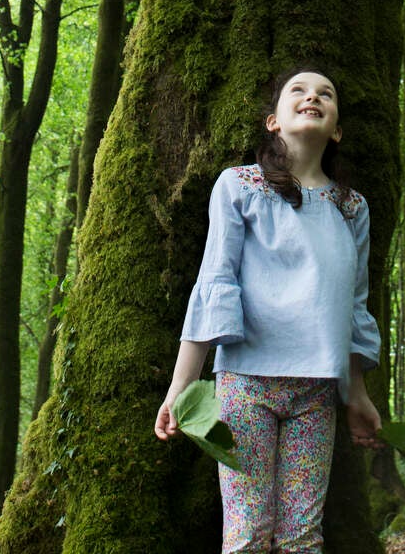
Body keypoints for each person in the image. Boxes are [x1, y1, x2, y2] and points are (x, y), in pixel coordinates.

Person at [154, 66, 384, 552]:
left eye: (326, 93)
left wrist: (357, 395)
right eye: (297, 91)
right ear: (272, 121)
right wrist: (180, 389)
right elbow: (214, 284)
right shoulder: (238, 186)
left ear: (337, 129)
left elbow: (354, 311)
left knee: (302, 537)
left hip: (316, 394)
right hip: (246, 386)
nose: (312, 97)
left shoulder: (352, 208)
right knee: (247, 533)